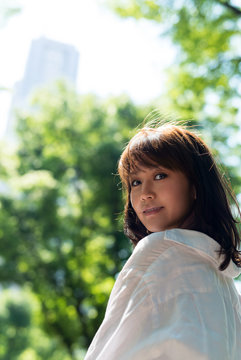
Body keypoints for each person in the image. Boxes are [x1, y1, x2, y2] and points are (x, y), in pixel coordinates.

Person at [84, 121, 241, 360]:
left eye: (160, 175)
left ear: (195, 186)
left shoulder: (160, 254)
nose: (145, 192)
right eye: (135, 182)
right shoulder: (225, 284)